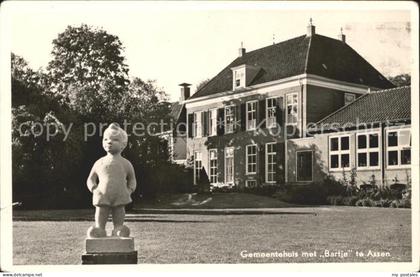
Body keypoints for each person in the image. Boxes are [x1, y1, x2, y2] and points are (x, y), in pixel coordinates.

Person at [86, 123, 137, 238]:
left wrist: (130, 190)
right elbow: (91, 179)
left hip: (120, 194)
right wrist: (94, 188)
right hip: (102, 194)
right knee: (101, 210)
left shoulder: (126, 163)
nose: (109, 142)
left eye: (115, 140)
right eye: (106, 139)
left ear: (123, 144)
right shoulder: (99, 162)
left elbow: (132, 179)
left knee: (119, 210)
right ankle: (99, 228)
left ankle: (118, 228)